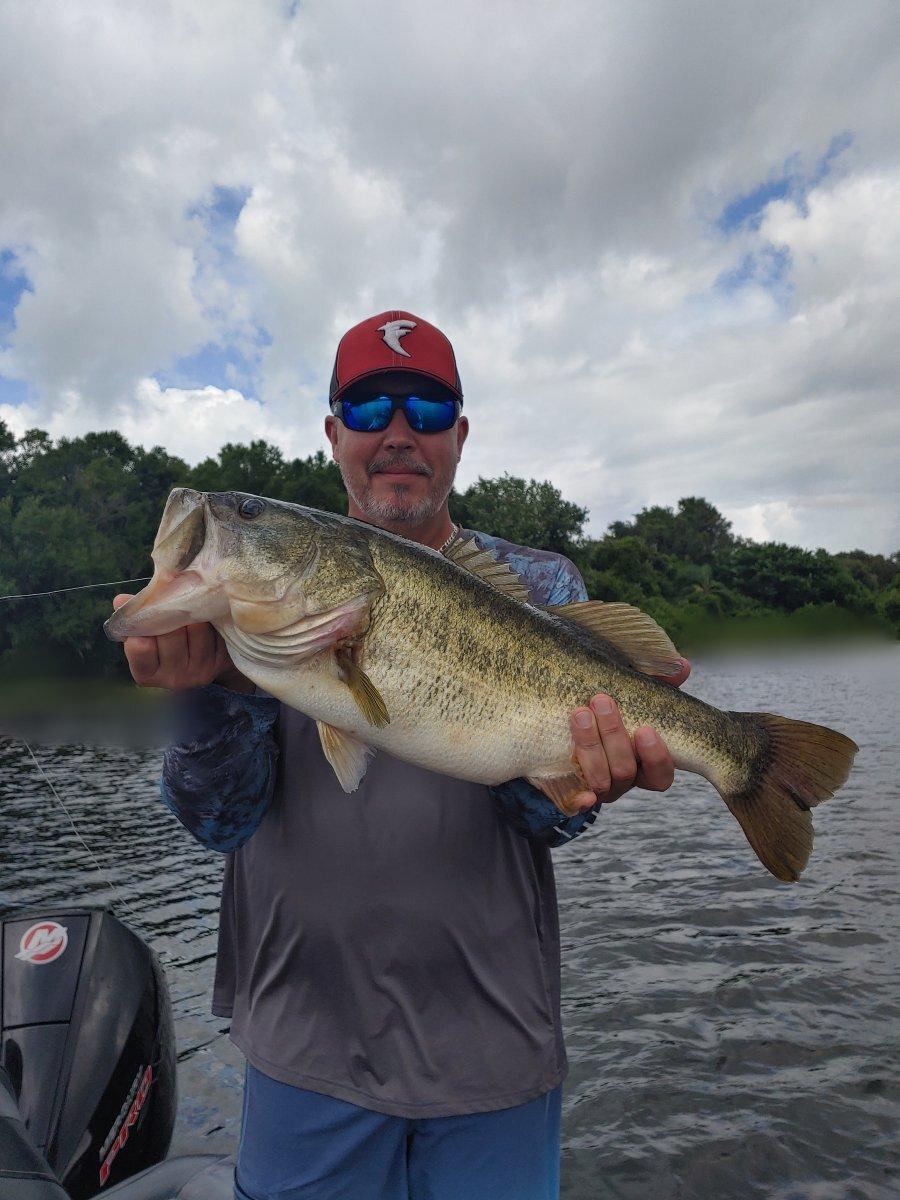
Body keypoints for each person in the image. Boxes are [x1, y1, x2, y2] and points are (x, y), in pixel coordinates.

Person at [114, 310, 690, 1200]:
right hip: (303, 1040)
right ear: (334, 432)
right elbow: (218, 821)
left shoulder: (545, 590)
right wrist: (213, 694)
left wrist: (583, 784)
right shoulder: (242, 623)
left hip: (490, 1047)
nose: (396, 433)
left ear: (458, 435)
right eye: (370, 407)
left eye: (425, 410)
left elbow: (550, 828)